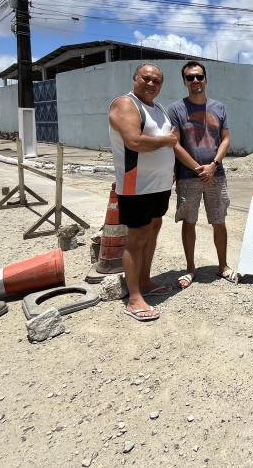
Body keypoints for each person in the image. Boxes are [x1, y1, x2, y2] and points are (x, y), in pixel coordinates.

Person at [108, 63, 179, 322]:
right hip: (136, 185)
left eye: (156, 81)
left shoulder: (158, 108)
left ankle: (146, 281)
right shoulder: (126, 104)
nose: (151, 84)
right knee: (136, 238)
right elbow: (134, 141)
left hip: (159, 185)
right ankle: (134, 297)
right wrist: (166, 142)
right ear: (135, 78)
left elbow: (168, 142)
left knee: (153, 231)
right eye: (146, 78)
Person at [168, 61, 239, 289]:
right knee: (189, 222)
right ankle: (190, 269)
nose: (195, 81)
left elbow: (226, 139)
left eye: (199, 76)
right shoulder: (176, 109)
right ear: (184, 81)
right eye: (190, 77)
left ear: (206, 79)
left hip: (216, 175)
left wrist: (213, 165)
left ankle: (223, 266)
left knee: (219, 221)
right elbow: (175, 144)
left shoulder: (219, 107)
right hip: (189, 176)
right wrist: (199, 169)